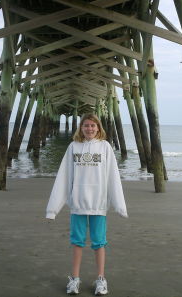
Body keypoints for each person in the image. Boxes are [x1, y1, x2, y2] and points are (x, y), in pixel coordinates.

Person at [46, 113, 128, 296]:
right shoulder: (73, 147)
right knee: (77, 242)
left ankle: (100, 279)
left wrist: (119, 205)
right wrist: (53, 209)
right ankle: (74, 279)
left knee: (99, 242)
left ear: (98, 128)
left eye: (93, 125)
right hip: (78, 204)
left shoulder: (105, 147)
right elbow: (64, 178)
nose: (89, 129)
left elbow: (113, 177)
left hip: (99, 204)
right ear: (81, 128)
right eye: (86, 126)